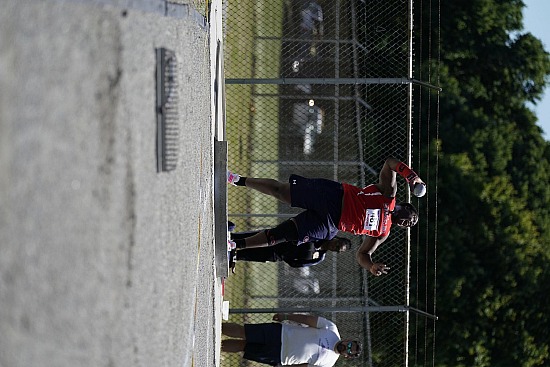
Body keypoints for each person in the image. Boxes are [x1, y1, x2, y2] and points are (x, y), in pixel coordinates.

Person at [227, 157, 426, 276]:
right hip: (333, 196)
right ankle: (237, 180)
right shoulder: (388, 194)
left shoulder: (383, 232)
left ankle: (236, 245)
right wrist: (411, 176)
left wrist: (371, 266)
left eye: (410, 225)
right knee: (281, 191)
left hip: (330, 224)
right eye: (412, 217)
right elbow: (390, 163)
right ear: (404, 205)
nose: (410, 222)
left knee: (280, 236)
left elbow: (362, 255)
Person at [221, 313, 361, 367]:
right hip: (280, 333)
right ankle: (216, 327)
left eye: (349, 350)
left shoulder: (328, 363)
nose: (346, 347)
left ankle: (216, 344)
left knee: (243, 346)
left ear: (347, 356)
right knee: (243, 332)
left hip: (281, 356)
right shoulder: (332, 329)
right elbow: (307, 319)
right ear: (347, 339)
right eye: (349, 344)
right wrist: (286, 316)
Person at [229, 230, 351, 272]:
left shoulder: (319, 257)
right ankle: (231, 238)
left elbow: (298, 264)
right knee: (249, 238)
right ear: (336, 238)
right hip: (279, 240)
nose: (334, 247)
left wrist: (287, 256)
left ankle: (232, 256)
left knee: (246, 255)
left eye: (337, 250)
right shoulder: (318, 236)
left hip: (278, 254)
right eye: (337, 244)